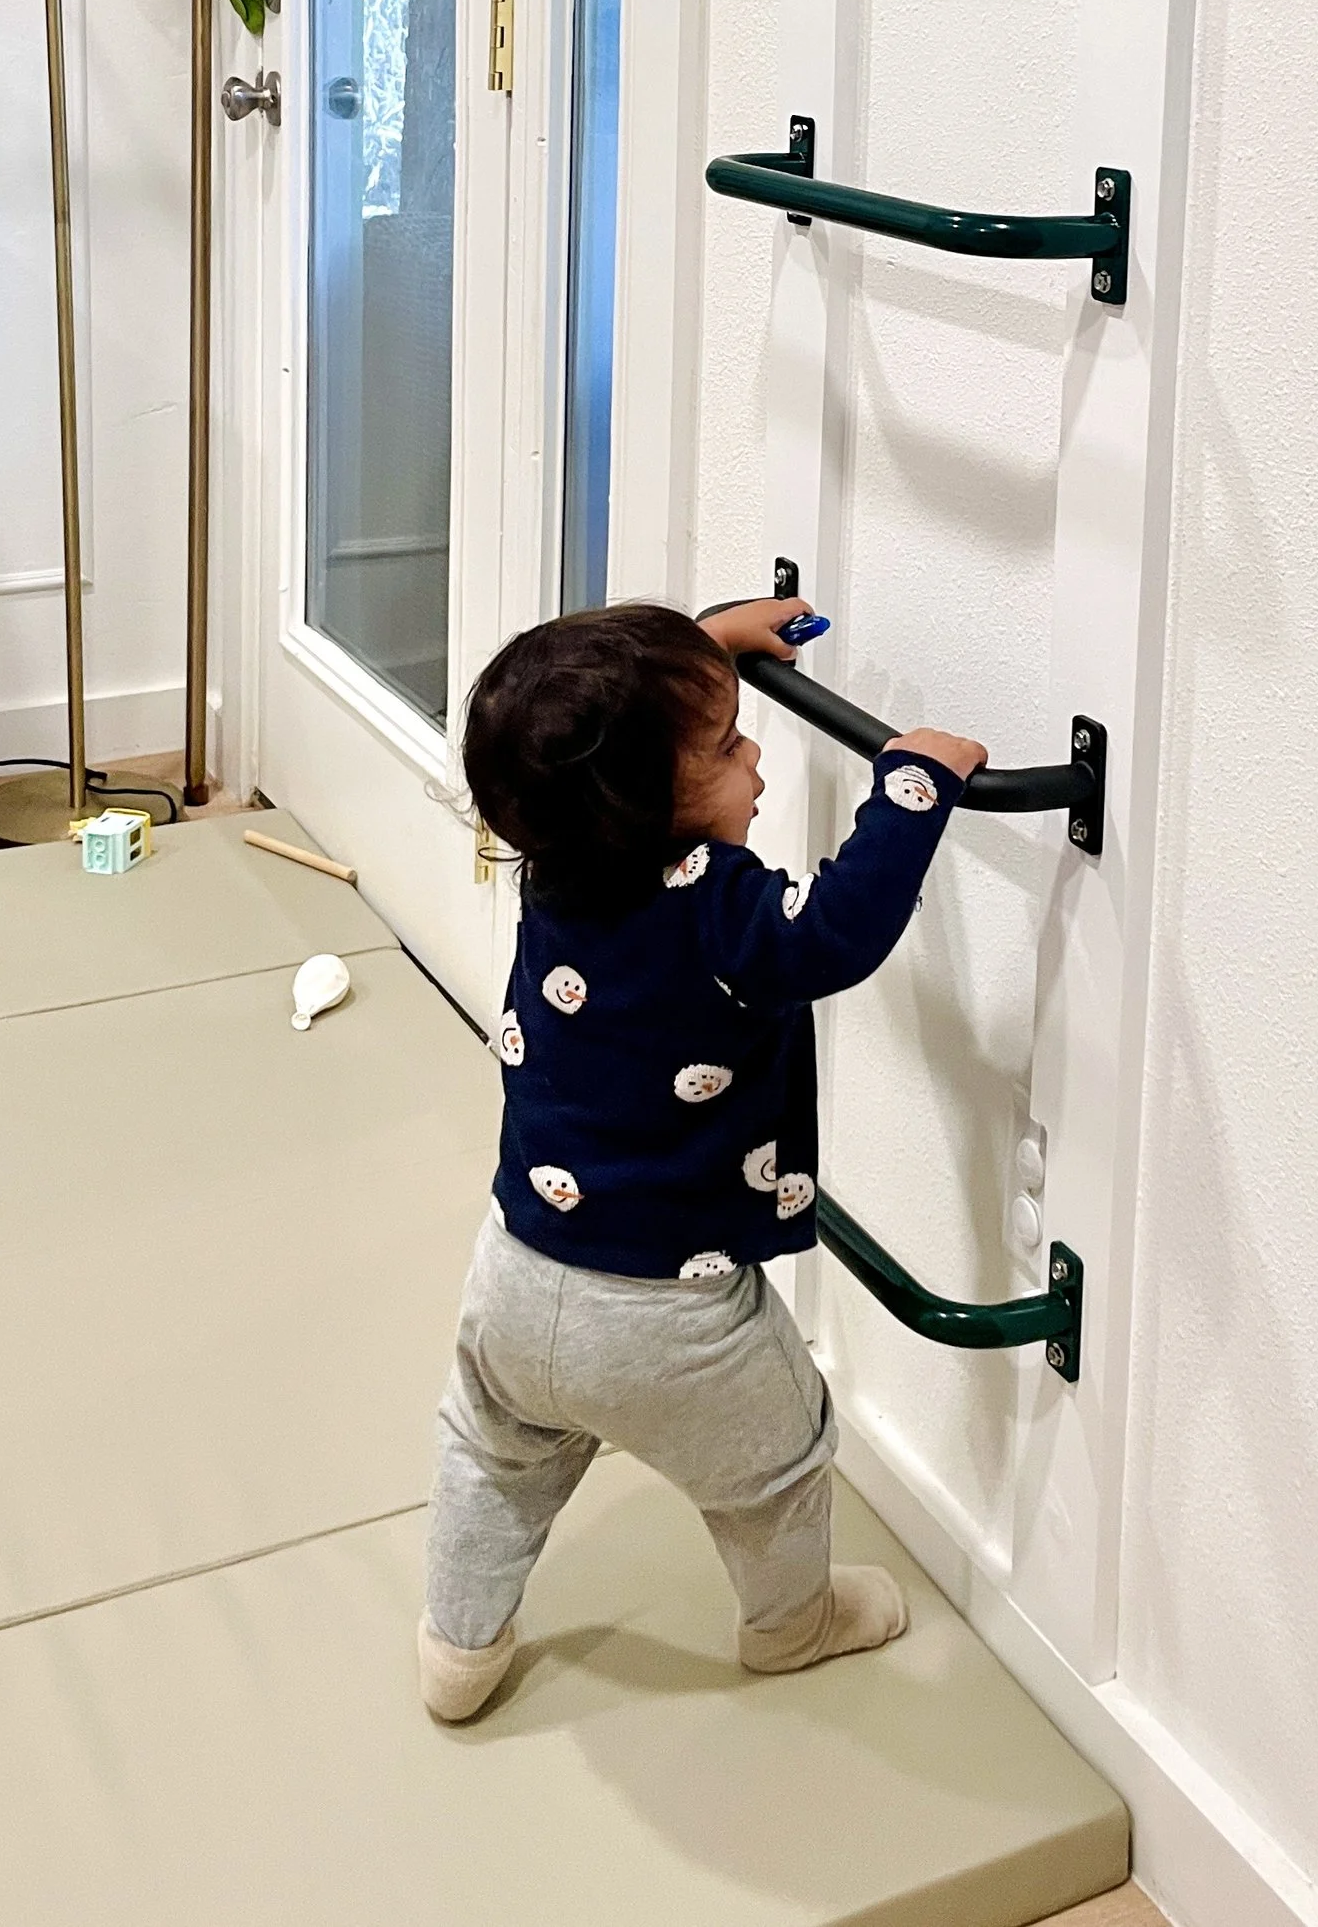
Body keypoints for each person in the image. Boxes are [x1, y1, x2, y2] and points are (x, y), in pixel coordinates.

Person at [417, 593, 986, 1723]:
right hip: (673, 1320)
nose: (756, 750)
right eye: (725, 744)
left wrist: (705, 649)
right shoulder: (720, 912)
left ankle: (457, 1646)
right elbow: (833, 932)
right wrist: (916, 784)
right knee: (777, 1472)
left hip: (516, 1276)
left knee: (491, 1460)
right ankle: (792, 1626)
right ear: (643, 804)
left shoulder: (558, 863)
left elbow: (592, 743)